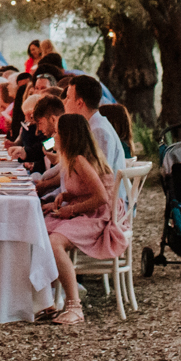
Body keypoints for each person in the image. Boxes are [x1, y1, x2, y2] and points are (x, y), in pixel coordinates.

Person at [40, 113, 128, 325]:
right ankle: (46, 300)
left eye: (57, 132)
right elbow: (84, 188)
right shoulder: (71, 158)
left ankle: (74, 306)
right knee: (37, 228)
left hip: (100, 214)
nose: (54, 135)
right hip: (84, 209)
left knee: (54, 243)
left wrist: (70, 210)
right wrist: (67, 196)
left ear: (68, 136)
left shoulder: (79, 159)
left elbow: (101, 197)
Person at [64, 74, 127, 176]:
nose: (65, 103)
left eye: (68, 97)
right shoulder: (94, 125)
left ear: (79, 103)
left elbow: (99, 174)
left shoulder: (99, 130)